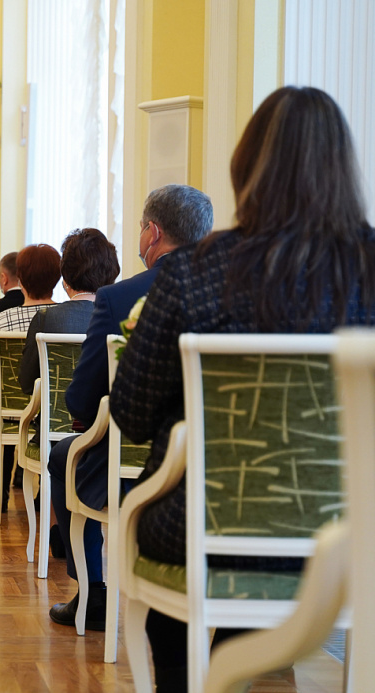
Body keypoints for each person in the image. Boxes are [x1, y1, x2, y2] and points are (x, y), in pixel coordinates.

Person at [112, 86, 374, 691]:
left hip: (206, 523)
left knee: (168, 542)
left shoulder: (190, 271)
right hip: (350, 527)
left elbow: (126, 411)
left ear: (245, 168)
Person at [40, 186, 212, 632]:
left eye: (140, 226)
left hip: (134, 461)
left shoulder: (118, 298)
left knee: (64, 454)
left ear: (152, 232)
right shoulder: (235, 291)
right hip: (218, 464)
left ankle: (93, 591)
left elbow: (82, 397)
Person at [0, 243, 61, 511]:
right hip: (52, 416)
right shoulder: (64, 317)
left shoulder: (1, 321)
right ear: (57, 278)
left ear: (19, 279)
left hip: (9, 414)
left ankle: (0, 498)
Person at [18, 228, 119, 393]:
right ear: (112, 271)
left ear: (64, 275)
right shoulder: (122, 317)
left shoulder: (46, 318)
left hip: (52, 418)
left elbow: (27, 383)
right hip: (105, 417)